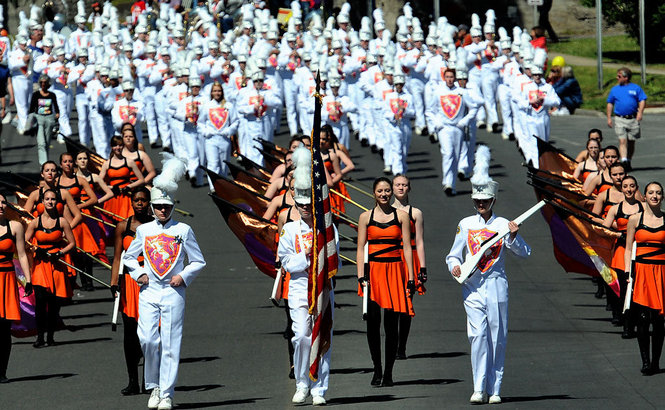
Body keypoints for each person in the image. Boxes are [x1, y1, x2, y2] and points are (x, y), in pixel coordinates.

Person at [446, 147, 531, 404]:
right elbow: (452, 254)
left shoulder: (503, 224)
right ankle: (478, 387)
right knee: (477, 336)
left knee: (497, 334)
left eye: (484, 201)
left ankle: (495, 388)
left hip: (496, 285)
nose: (480, 205)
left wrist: (514, 236)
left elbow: (525, 252)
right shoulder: (466, 224)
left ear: (493, 201)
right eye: (476, 201)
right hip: (472, 286)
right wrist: (455, 267)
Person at [123, 155, 206, 410]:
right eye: (158, 206)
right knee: (147, 339)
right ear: (152, 207)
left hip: (172, 291)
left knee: (171, 342)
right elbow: (128, 256)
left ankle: (166, 392)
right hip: (149, 291)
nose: (162, 210)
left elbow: (198, 261)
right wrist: (138, 274)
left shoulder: (183, 231)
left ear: (172, 207)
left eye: (166, 207)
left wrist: (183, 276)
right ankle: (154, 385)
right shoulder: (144, 231)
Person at [278, 151, 337, 405]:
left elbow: (337, 261)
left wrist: (323, 263)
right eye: (300, 204)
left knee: (322, 336)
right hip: (300, 289)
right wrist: (308, 257)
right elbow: (286, 262)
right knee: (301, 336)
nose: (304, 208)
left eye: (308, 204)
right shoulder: (290, 230)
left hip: (323, 289)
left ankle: (319, 389)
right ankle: (302, 382)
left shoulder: (327, 227)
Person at [356, 177, 415, 387]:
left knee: (391, 325)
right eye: (380, 191)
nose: (384, 194)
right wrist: (360, 275)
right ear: (374, 193)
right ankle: (377, 369)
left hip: (394, 272)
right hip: (372, 273)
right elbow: (361, 247)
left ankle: (389, 372)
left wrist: (410, 276)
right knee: (372, 324)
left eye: (387, 190)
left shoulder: (402, 216)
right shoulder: (365, 217)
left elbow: (407, 247)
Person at [111, 187, 152, 395]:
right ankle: (133, 380)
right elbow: (117, 257)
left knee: (150, 335)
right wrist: (113, 283)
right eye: (136, 200)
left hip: (151, 283)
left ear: (149, 202)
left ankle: (149, 380)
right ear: (131, 202)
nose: (140, 204)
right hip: (128, 283)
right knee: (130, 334)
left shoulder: (157, 225)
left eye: (144, 200)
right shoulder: (122, 226)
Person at [25, 189, 76, 347]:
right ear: (42, 201)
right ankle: (40, 337)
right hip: (40, 266)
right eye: (47, 199)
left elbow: (72, 243)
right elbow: (24, 243)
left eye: (53, 199)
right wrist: (35, 249)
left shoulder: (62, 222)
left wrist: (60, 252)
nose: (50, 202)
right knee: (40, 302)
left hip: (56, 265)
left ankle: (51, 336)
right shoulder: (35, 222)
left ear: (57, 202)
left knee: (54, 304)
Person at [624, 181, 665, 375]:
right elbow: (628, 247)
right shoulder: (634, 219)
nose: (654, 196)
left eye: (658, 193)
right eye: (651, 193)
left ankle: (656, 361)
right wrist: (627, 271)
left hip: (661, 273)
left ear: (662, 197)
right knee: (642, 318)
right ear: (645, 196)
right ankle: (646, 362)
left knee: (659, 320)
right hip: (641, 272)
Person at [391, 175, 427, 360]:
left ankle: (401, 346)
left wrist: (423, 268)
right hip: (391, 258)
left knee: (406, 303)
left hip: (410, 259)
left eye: (404, 185)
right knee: (391, 305)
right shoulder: (385, 212)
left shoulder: (416, 213)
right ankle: (392, 341)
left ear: (409, 188)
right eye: (397, 184)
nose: (401, 188)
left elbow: (419, 241)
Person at [603, 175, 642, 337]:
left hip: (638, 251)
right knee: (623, 290)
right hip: (621, 252)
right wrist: (618, 234)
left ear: (636, 188)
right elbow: (603, 228)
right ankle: (625, 323)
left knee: (635, 292)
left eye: (632, 186)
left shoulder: (643, 207)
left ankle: (633, 323)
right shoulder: (615, 209)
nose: (629, 189)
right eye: (626, 186)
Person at [0, 193, 33, 383]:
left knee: (4, 329)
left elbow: (21, 254)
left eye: (4, 202)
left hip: (6, 279)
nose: (1, 205)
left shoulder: (15, 226)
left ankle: (2, 371)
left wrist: (28, 280)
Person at [606, 67, 647, 171]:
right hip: (620, 119)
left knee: (631, 141)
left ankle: (628, 160)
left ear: (626, 77)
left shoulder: (636, 88)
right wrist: (609, 118)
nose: (617, 78)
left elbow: (642, 100)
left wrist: (640, 113)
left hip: (632, 119)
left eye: (619, 76)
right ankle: (623, 160)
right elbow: (610, 103)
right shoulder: (615, 89)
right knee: (622, 140)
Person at [99, 136, 145, 219]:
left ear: (123, 146)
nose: (118, 148)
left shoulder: (129, 162)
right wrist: (111, 187)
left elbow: (141, 180)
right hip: (112, 197)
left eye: (120, 145)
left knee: (128, 219)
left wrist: (129, 187)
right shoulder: (106, 164)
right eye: (115, 145)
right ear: (111, 147)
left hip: (126, 196)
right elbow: (99, 183)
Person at [28, 74, 60, 165]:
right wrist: (30, 119)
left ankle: (46, 159)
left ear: (48, 84)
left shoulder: (52, 95)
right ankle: (44, 164)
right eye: (41, 82)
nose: (43, 84)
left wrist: (57, 113)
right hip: (39, 118)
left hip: (49, 119)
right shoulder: (36, 95)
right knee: (41, 143)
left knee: (47, 142)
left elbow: (56, 106)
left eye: (45, 82)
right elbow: (32, 108)